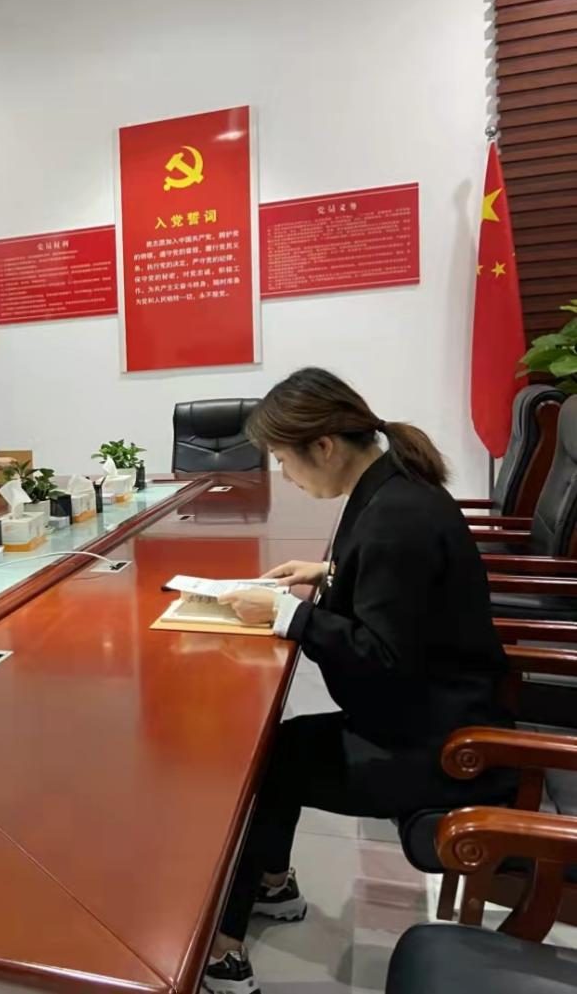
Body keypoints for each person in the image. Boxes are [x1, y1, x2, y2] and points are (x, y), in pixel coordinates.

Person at [200, 368, 517, 994]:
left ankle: (224, 948)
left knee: (266, 762)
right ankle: (271, 886)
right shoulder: (392, 487)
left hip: (444, 746)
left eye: (285, 461)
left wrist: (288, 614)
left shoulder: (395, 518)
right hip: (440, 710)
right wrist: (327, 572)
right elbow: (398, 590)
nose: (286, 475)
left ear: (324, 446)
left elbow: (382, 658)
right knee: (284, 749)